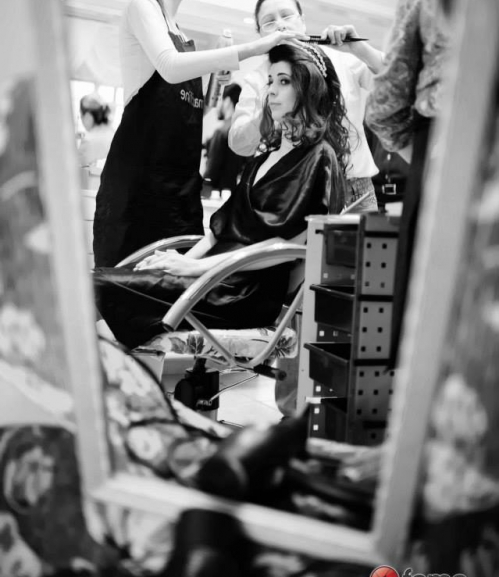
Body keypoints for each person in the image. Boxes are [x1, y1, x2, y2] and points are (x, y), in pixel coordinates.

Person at [93, 42, 350, 350]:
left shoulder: (319, 158)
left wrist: (197, 269)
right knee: (101, 285)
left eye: (284, 81)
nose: (271, 91)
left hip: (242, 293)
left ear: (309, 88)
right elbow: (219, 232)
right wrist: (180, 261)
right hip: (212, 279)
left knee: (97, 287)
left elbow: (287, 247)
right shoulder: (261, 159)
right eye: (271, 81)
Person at [93, 0, 305, 268]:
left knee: (176, 284)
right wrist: (254, 48)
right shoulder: (142, 5)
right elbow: (169, 66)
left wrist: (217, 79)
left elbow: (192, 110)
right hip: (139, 186)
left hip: (181, 190)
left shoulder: (182, 36)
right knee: (128, 284)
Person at [364, 0, 456, 365]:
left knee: (435, 342)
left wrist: (428, 160)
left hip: (444, 152)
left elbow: (386, 101)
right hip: (439, 151)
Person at [228, 0, 385, 212]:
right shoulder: (258, 79)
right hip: (287, 191)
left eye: (287, 15)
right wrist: (270, 106)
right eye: (269, 22)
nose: (280, 25)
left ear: (302, 21)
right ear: (260, 33)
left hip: (354, 189)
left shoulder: (341, 58)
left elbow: (396, 81)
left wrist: (359, 49)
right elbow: (239, 145)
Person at [204, 82, 245, 194]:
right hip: (233, 194)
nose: (217, 107)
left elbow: (211, 173)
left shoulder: (221, 133)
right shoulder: (243, 132)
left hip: (216, 195)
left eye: (219, 101)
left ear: (227, 101)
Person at [77, 93, 115, 167]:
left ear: (88, 116)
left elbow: (76, 169)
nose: (81, 119)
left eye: (81, 116)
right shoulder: (113, 133)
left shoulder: (88, 141)